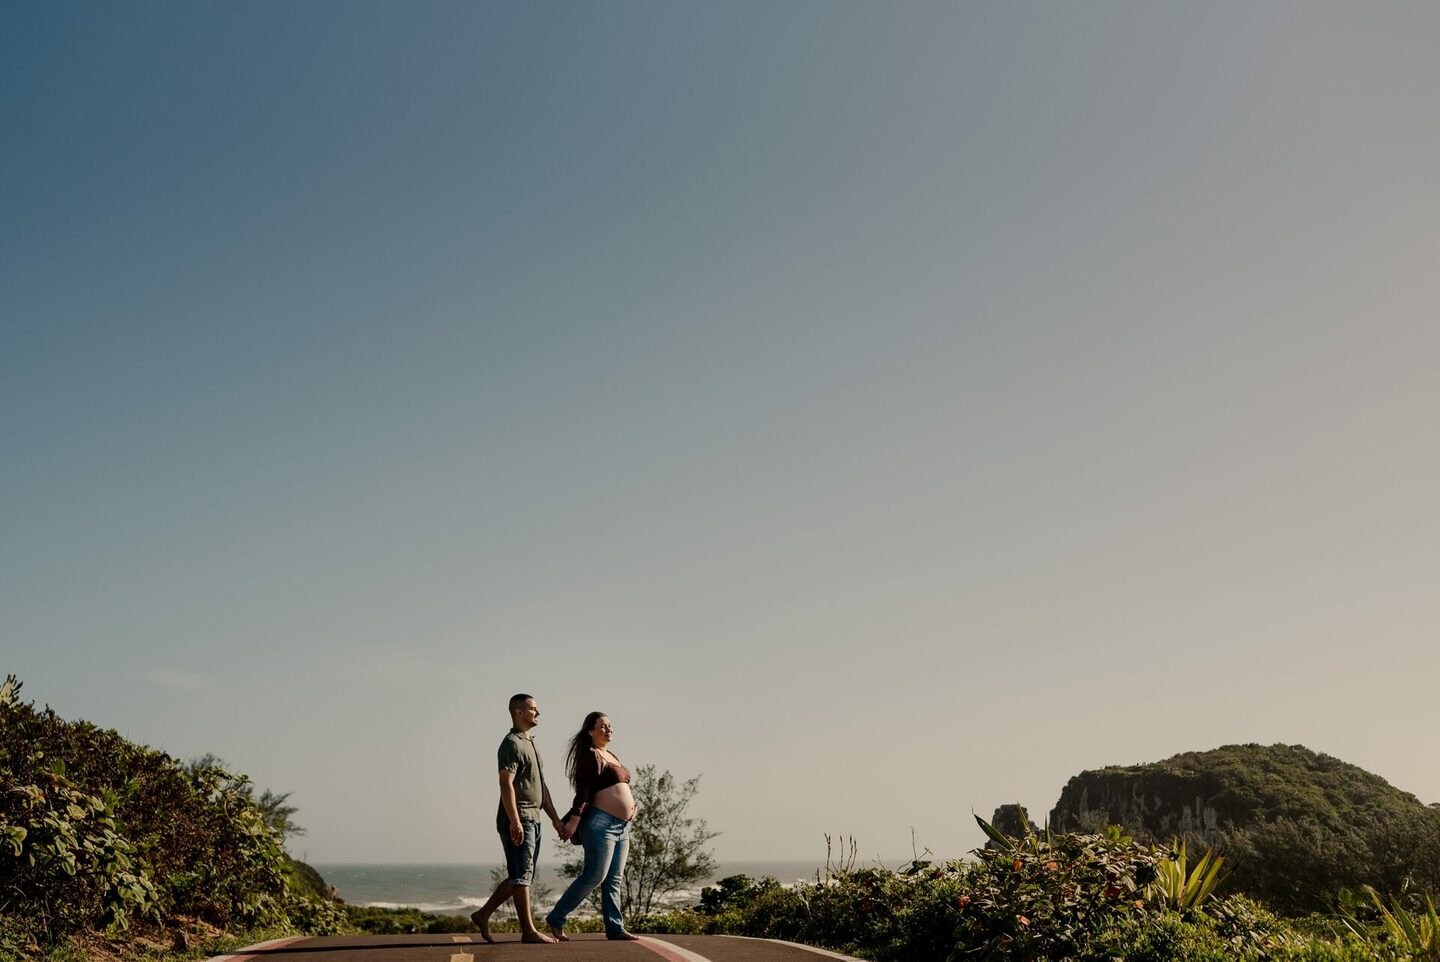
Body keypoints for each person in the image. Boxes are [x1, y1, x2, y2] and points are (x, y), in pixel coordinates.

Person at [470, 693, 569, 944]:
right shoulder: (511, 743)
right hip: (520, 817)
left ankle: (483, 914)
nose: (538, 713)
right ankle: (528, 931)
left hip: (533, 818)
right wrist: (514, 820)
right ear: (518, 712)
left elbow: (541, 787)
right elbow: (506, 783)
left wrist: (555, 820)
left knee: (522, 874)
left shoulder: (531, 743)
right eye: (533, 709)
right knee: (521, 876)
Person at [544, 711, 640, 942]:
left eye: (610, 725)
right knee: (595, 875)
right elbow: (584, 791)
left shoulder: (612, 755)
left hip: (621, 826)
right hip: (600, 823)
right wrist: (574, 822)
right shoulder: (590, 755)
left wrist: (630, 808)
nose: (608, 729)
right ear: (591, 731)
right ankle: (556, 918)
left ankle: (615, 928)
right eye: (602, 726)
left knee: (614, 878)